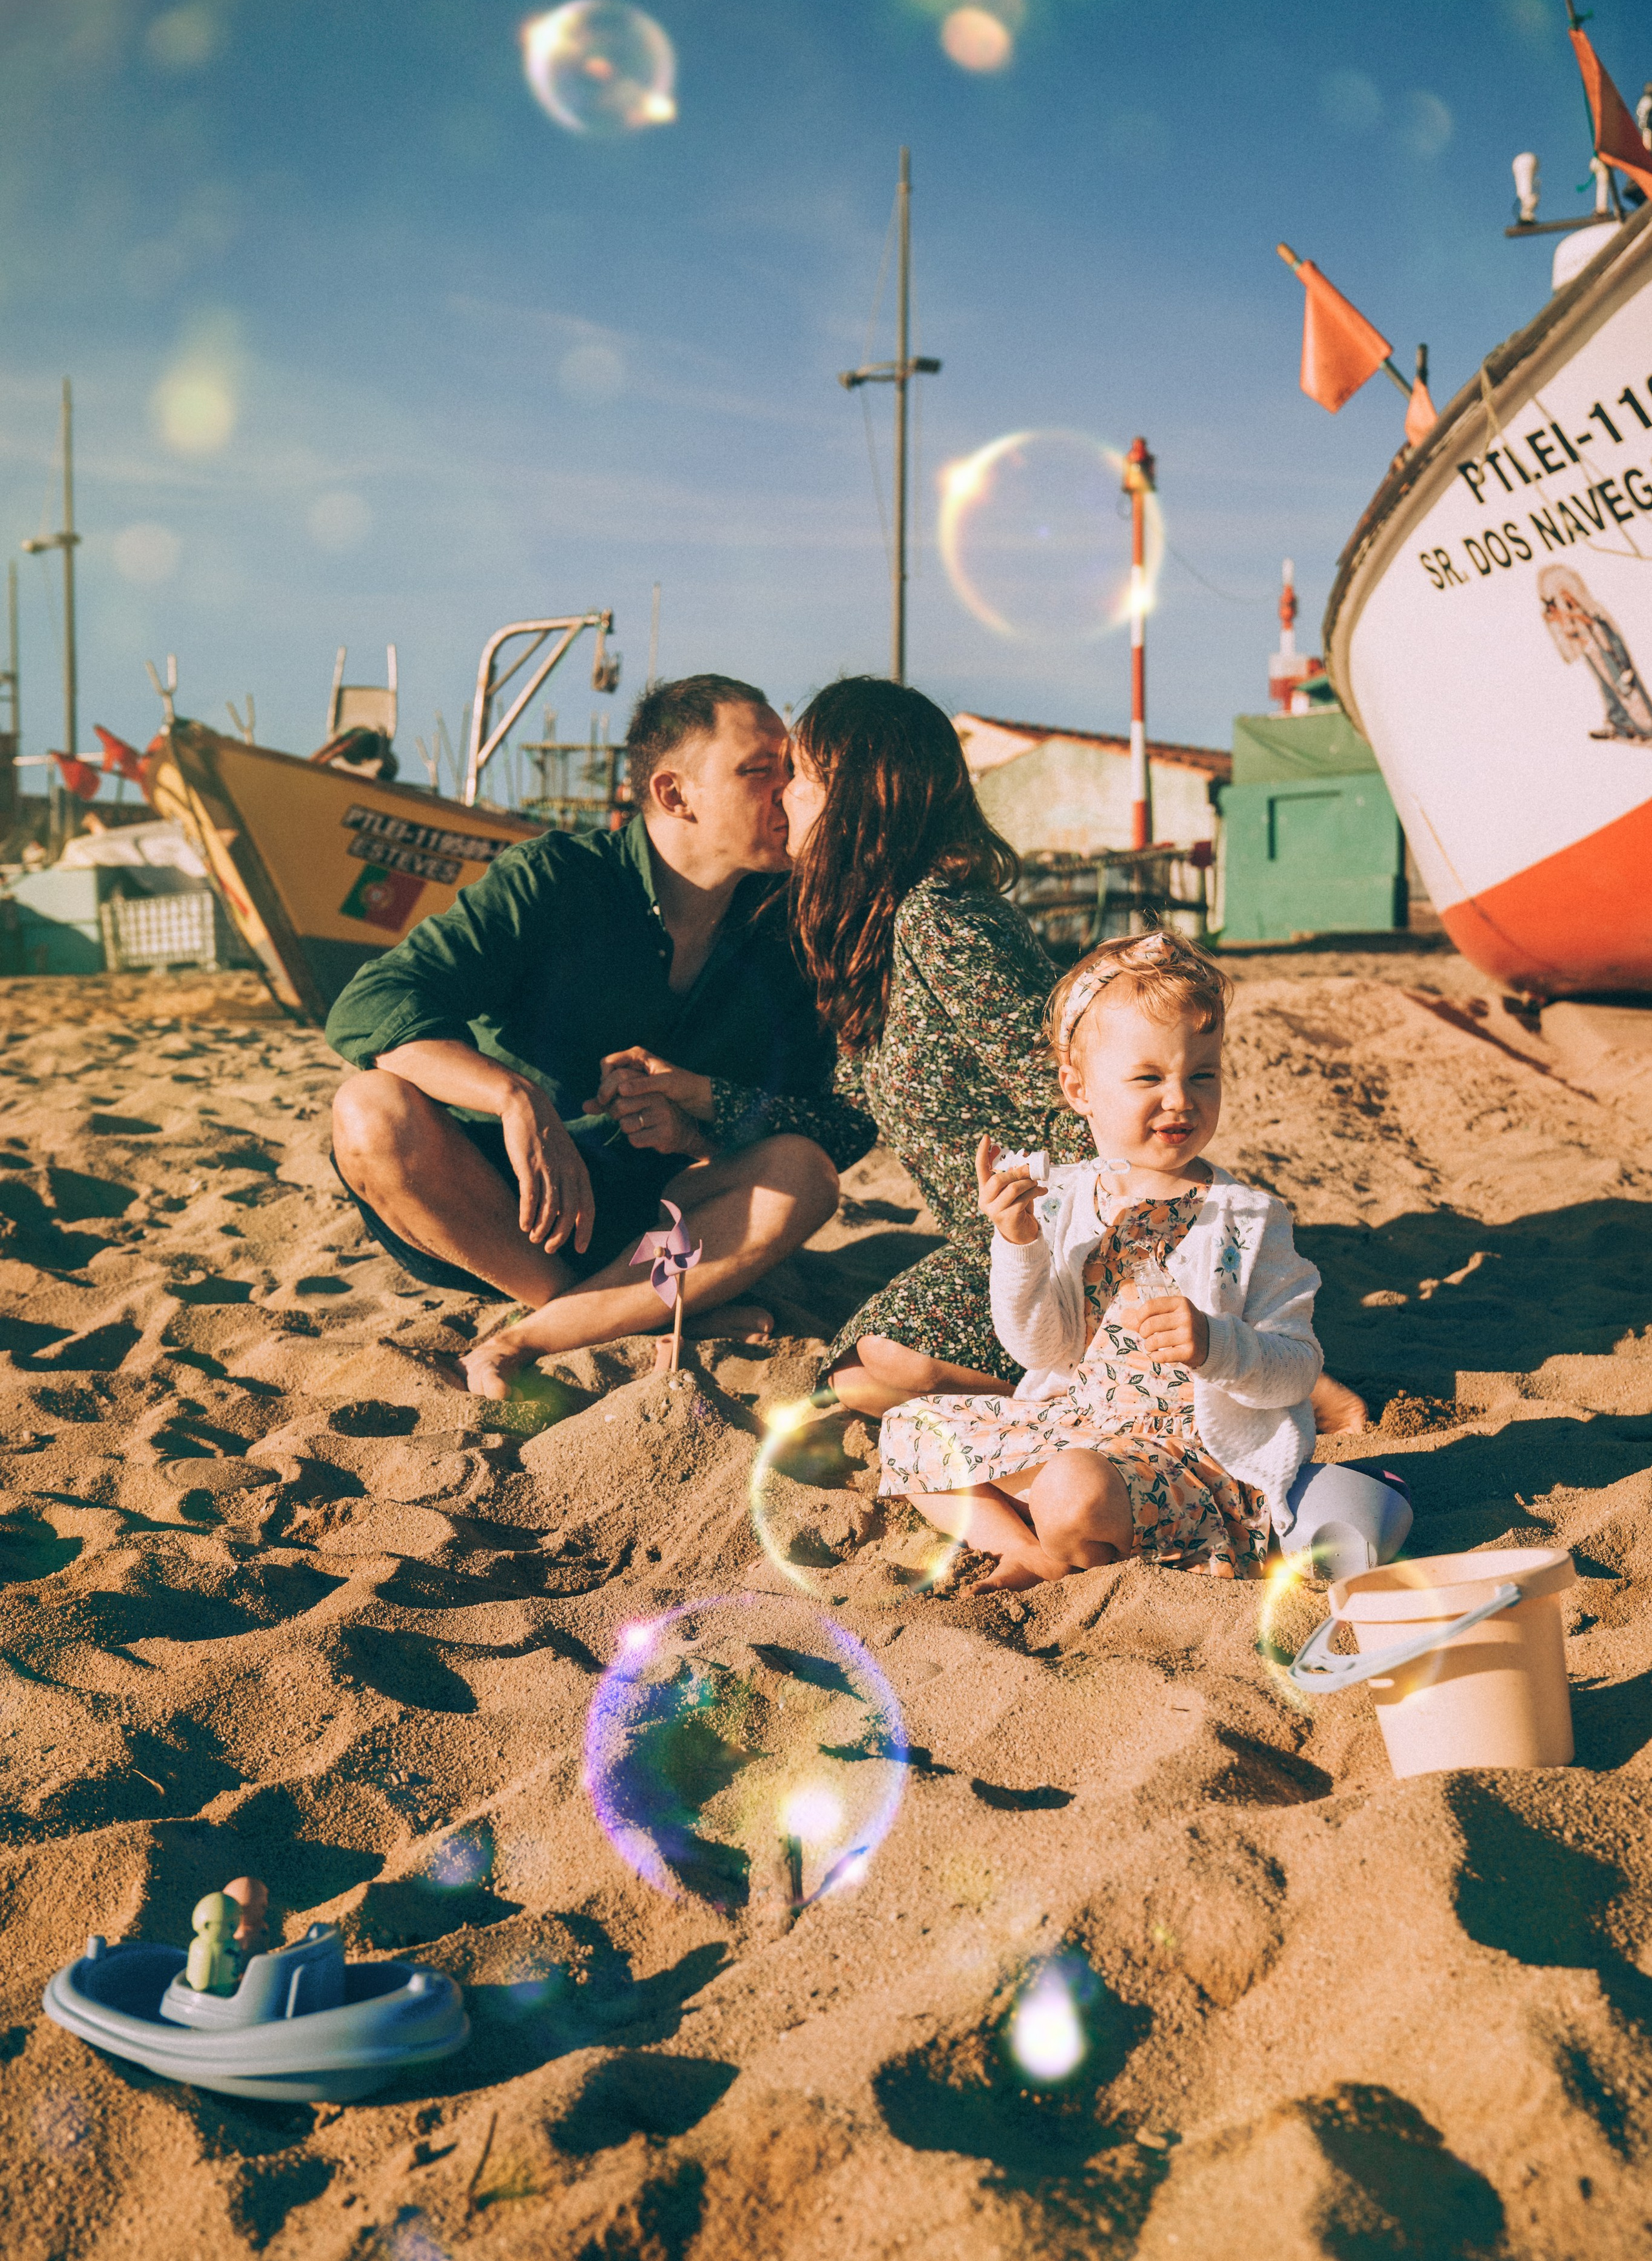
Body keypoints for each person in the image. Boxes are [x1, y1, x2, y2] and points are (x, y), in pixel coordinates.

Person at [780, 674, 1366, 1435]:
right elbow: (851, 1114)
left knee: (872, 1369)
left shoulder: (938, 918)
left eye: (801, 776)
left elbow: (1064, 1077)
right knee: (859, 1374)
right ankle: (1108, 1401)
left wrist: (1098, 1228)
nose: (785, 794)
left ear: (857, 798)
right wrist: (706, 1102)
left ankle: (1234, 1390)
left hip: (1068, 1230)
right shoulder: (874, 936)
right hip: (1005, 1233)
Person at [326, 674, 872, 1395]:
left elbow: (833, 1123)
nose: (788, 791)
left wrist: (699, 1119)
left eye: (790, 770)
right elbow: (371, 1002)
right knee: (368, 1108)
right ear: (675, 795)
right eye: (757, 771)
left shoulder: (789, 928)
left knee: (803, 1172)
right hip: (493, 1211)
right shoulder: (555, 880)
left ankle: (565, 1321)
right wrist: (515, 1098)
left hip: (652, 1230)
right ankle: (607, 1312)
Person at [878, 930, 1321, 1589]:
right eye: (1147, 1077)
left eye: (1201, 1074)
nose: (1179, 1098)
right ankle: (1026, 1546)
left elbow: (1297, 1370)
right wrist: (1018, 1241)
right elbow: (1040, 1349)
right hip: (1079, 1425)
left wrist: (1216, 1347)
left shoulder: (1249, 1218)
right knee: (908, 1427)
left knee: (1074, 1489)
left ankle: (1064, 1530)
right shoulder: (1065, 1197)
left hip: (1186, 1454)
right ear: (1078, 1089)